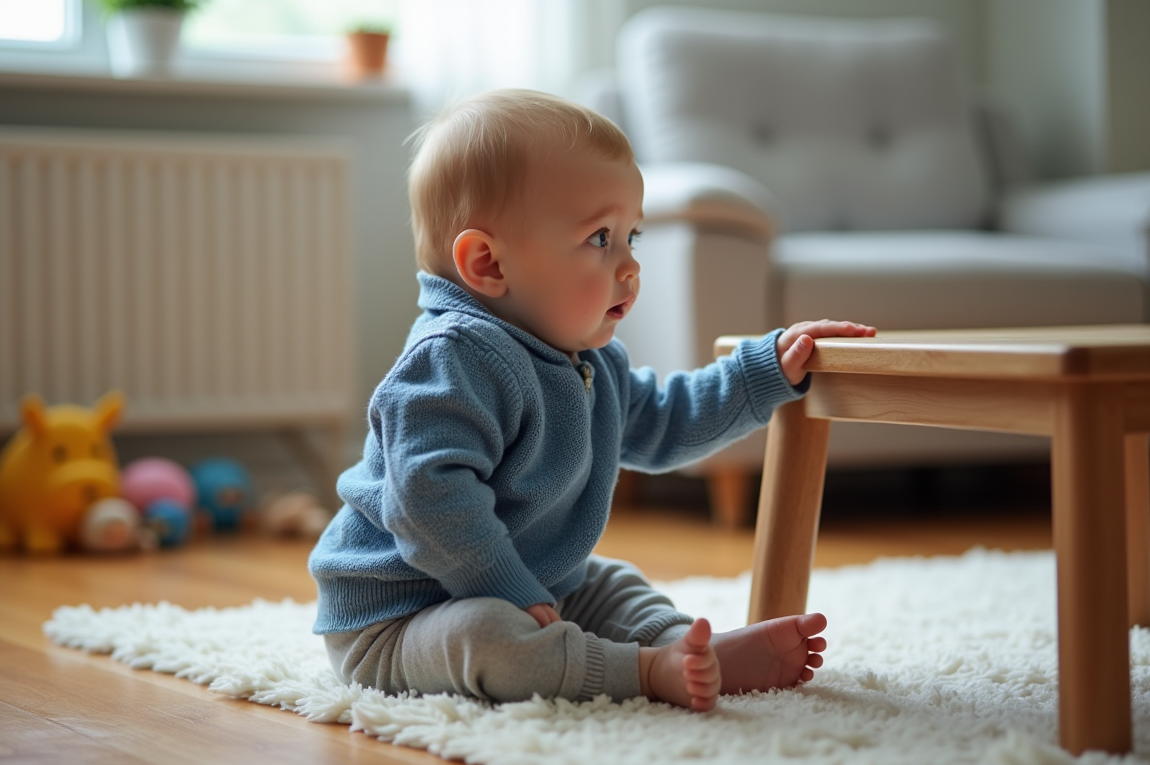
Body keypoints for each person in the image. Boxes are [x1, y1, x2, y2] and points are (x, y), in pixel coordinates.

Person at [308, 89, 876, 712]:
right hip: (400, 617)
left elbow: (667, 422)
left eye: (633, 236)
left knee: (611, 580)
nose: (630, 266)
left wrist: (760, 373)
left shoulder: (591, 361)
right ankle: (645, 671)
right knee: (490, 636)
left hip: (534, 578)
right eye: (601, 238)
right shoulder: (451, 359)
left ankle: (682, 645)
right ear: (489, 263)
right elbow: (428, 501)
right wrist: (507, 588)